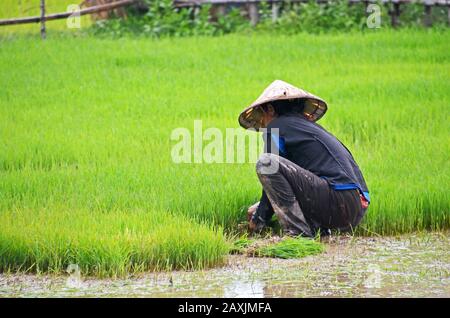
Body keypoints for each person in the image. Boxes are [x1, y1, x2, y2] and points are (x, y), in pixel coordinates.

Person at [238, 80, 370, 237]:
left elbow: (271, 169)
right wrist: (261, 207)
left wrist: (259, 218)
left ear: (271, 110)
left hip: (336, 199)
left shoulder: (275, 127)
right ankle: (318, 232)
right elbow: (293, 184)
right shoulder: (309, 130)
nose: (262, 122)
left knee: (266, 162)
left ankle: (298, 234)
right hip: (356, 205)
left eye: (261, 114)